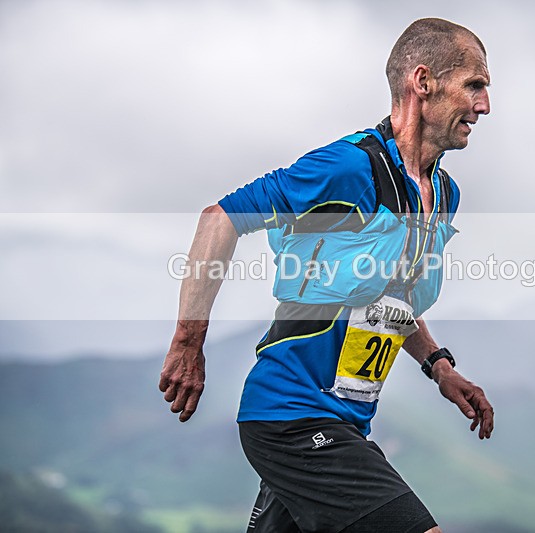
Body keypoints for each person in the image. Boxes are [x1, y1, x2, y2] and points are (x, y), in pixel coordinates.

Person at [159, 17, 494, 533]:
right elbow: (221, 219)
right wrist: (188, 341)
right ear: (423, 82)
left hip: (345, 423)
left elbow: (391, 299)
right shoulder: (346, 169)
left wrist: (440, 368)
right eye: (474, 85)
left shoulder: (444, 197)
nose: (484, 106)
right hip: (291, 416)